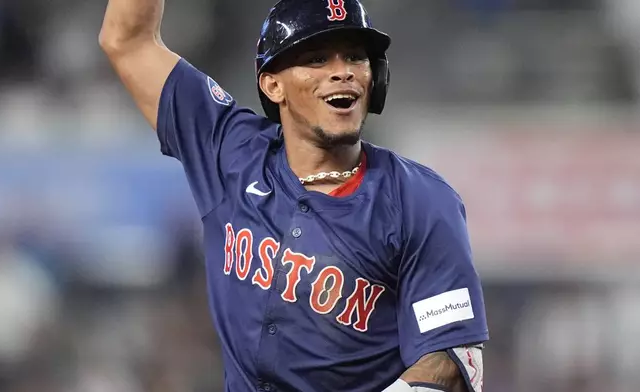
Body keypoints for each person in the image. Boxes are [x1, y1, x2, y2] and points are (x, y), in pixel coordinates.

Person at [99, 0, 489, 391]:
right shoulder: (230, 152)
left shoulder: (420, 200)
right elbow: (127, 39)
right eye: (317, 59)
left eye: (355, 57)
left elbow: (450, 364)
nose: (343, 72)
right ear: (273, 85)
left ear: (377, 78)